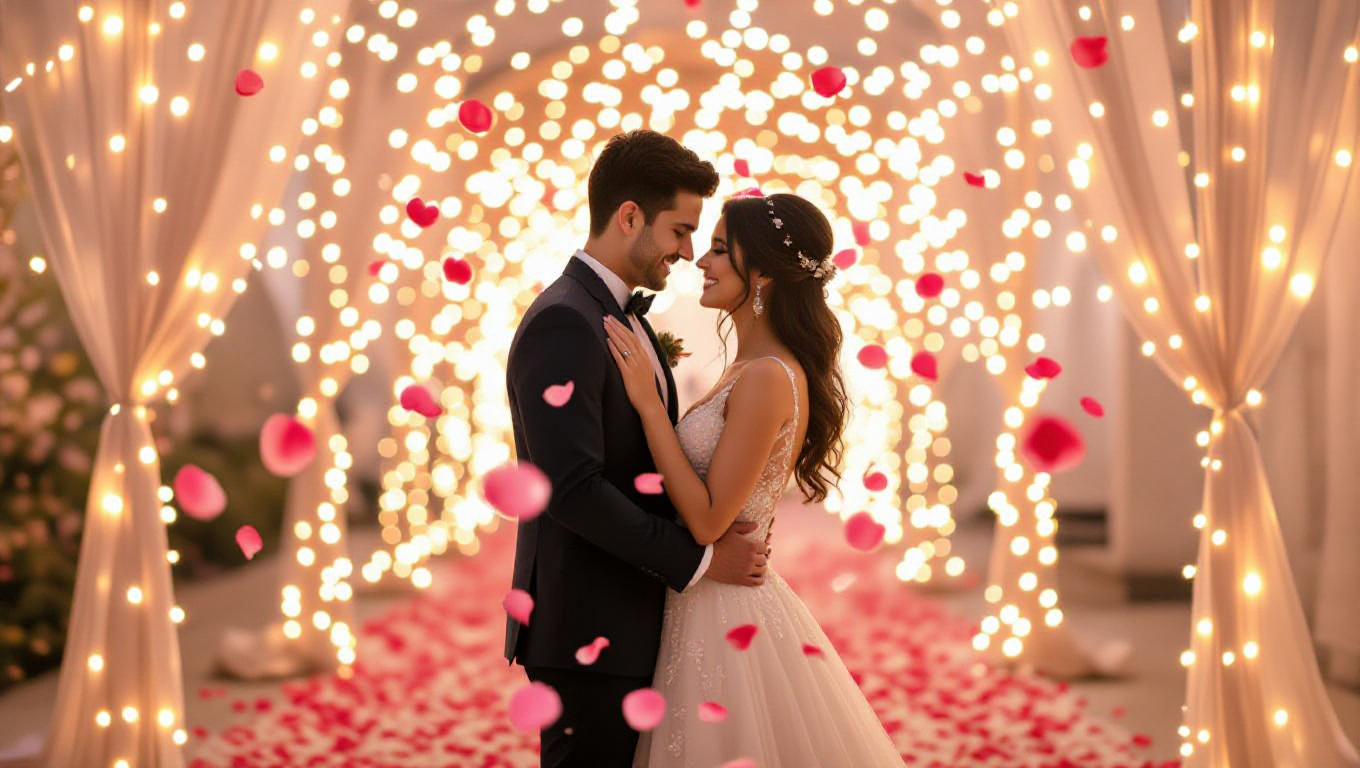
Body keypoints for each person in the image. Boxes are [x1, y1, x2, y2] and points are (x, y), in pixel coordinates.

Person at [606, 192, 906, 767]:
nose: (701, 261)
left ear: (763, 272)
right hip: (699, 594)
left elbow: (710, 517)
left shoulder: (768, 376)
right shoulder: (746, 366)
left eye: (719, 249)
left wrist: (649, 407)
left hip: (724, 609)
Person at [504, 130, 771, 768]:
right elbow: (571, 490)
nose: (686, 252)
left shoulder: (621, 315)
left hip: (627, 617)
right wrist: (702, 562)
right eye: (680, 231)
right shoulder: (564, 321)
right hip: (587, 630)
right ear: (629, 216)